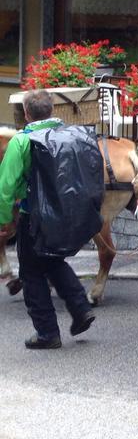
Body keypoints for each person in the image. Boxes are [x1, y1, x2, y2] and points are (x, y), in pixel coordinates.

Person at [0, 90, 96, 349]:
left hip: (34, 216)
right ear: (52, 111)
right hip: (66, 212)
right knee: (53, 261)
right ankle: (81, 308)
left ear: (27, 113)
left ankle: (47, 333)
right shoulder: (71, 134)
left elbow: (6, 186)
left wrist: (4, 221)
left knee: (31, 273)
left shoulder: (21, 141)